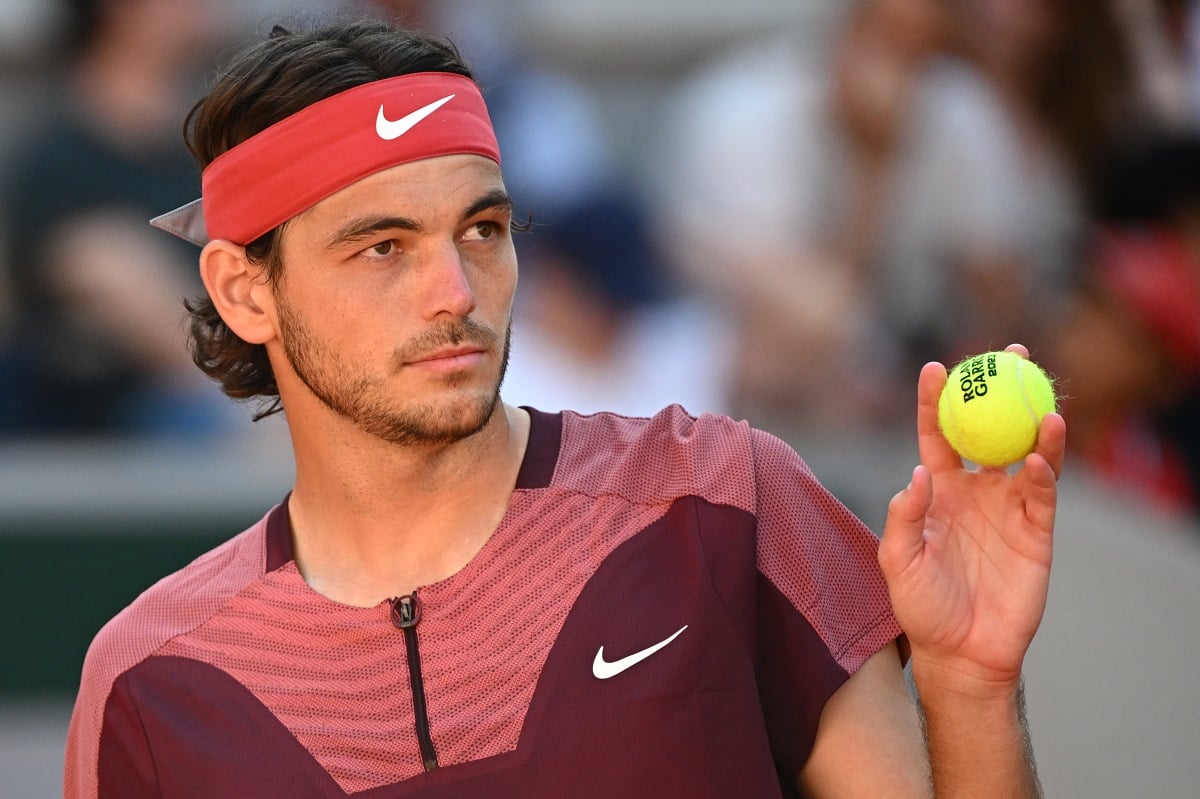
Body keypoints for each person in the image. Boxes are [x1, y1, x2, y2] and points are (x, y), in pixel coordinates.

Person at [63, 17, 1065, 798]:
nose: (455, 290)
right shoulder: (152, 679)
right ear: (246, 291)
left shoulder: (721, 499)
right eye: (383, 248)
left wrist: (973, 693)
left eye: (483, 229)